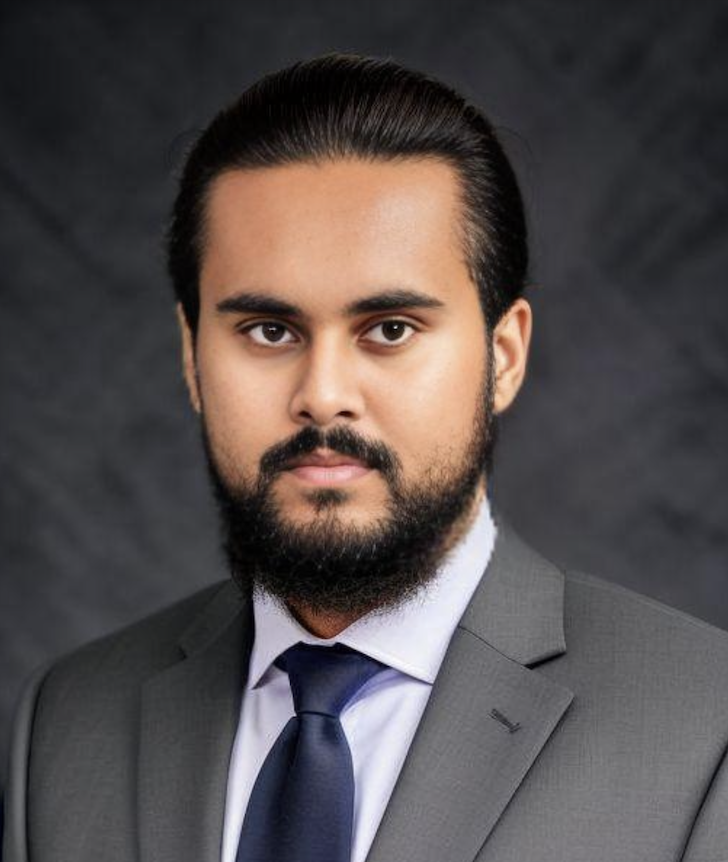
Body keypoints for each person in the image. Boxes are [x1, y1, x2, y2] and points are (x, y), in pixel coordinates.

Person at [4, 52, 728, 862]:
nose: (322, 394)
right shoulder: (65, 725)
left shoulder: (707, 730)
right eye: (268, 331)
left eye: (389, 329)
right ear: (190, 356)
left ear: (505, 357)